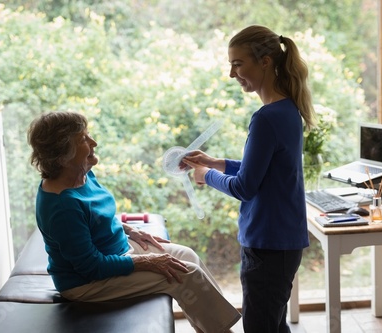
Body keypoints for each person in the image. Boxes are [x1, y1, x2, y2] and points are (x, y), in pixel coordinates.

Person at [27, 111, 241, 333]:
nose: (94, 142)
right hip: (86, 283)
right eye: (83, 139)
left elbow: (98, 220)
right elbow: (91, 267)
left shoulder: (82, 174)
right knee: (185, 275)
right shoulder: (62, 205)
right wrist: (148, 261)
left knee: (187, 256)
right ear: (62, 154)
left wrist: (130, 230)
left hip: (117, 251)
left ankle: (213, 328)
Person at [183, 25, 315, 333]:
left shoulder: (266, 118)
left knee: (261, 326)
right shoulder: (286, 111)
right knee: (272, 324)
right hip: (282, 242)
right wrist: (218, 162)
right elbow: (267, 170)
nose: (232, 73)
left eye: (238, 63)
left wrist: (207, 175)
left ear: (265, 62)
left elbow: (246, 186)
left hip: (267, 244)